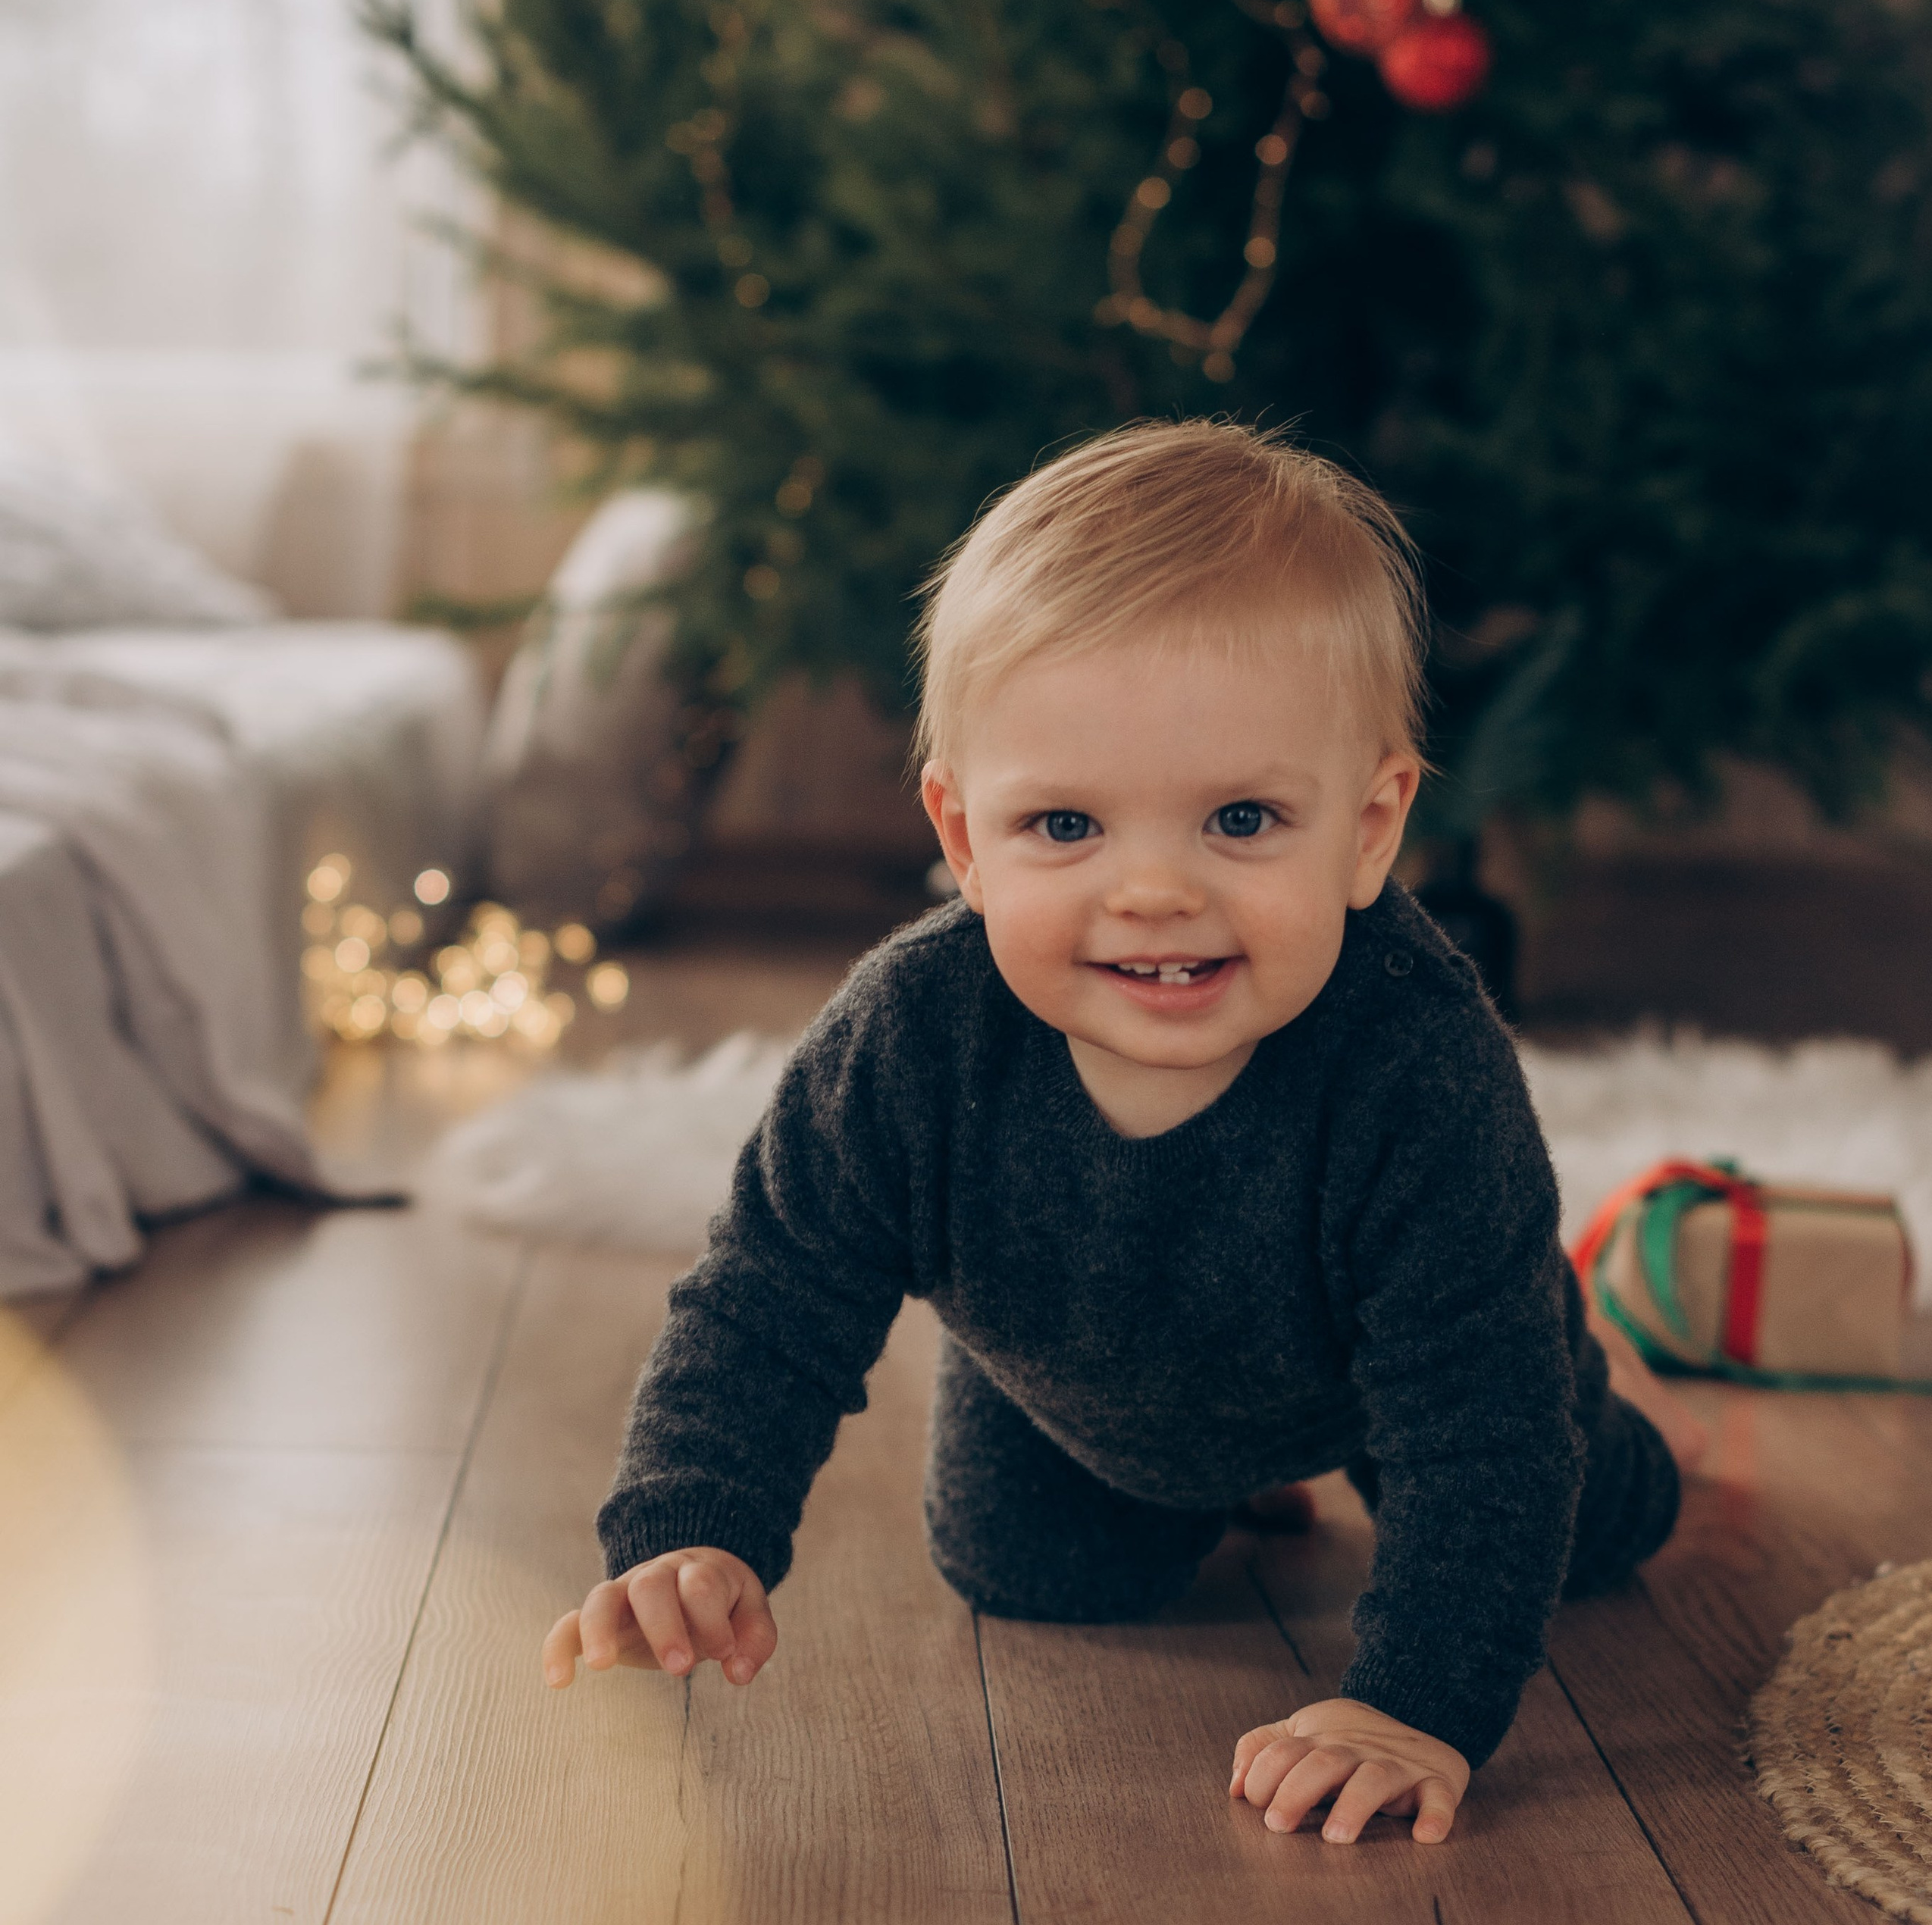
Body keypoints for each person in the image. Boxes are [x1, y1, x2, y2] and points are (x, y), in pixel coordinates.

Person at [541, 421, 1687, 1846]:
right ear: (963, 840)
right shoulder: (911, 1039)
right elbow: (770, 1295)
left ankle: (1587, 1439)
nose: (1151, 892)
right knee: (1028, 1570)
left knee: (1572, 1514)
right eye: (1067, 824)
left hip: (1404, 1365)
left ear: (1372, 826)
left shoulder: (1420, 1065)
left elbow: (1483, 1422)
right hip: (1072, 1377)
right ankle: (1226, 1475)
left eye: (1244, 819)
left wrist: (1417, 1703)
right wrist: (686, 1523)